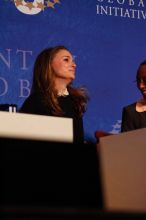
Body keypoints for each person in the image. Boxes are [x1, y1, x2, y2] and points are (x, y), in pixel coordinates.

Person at [19, 45, 88, 144]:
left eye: (73, 60)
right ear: (49, 64)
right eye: (66, 60)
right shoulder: (35, 101)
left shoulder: (76, 101)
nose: (74, 65)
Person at [121, 60, 146, 132]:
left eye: (145, 80)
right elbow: (127, 142)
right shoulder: (130, 112)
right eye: (138, 81)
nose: (141, 86)